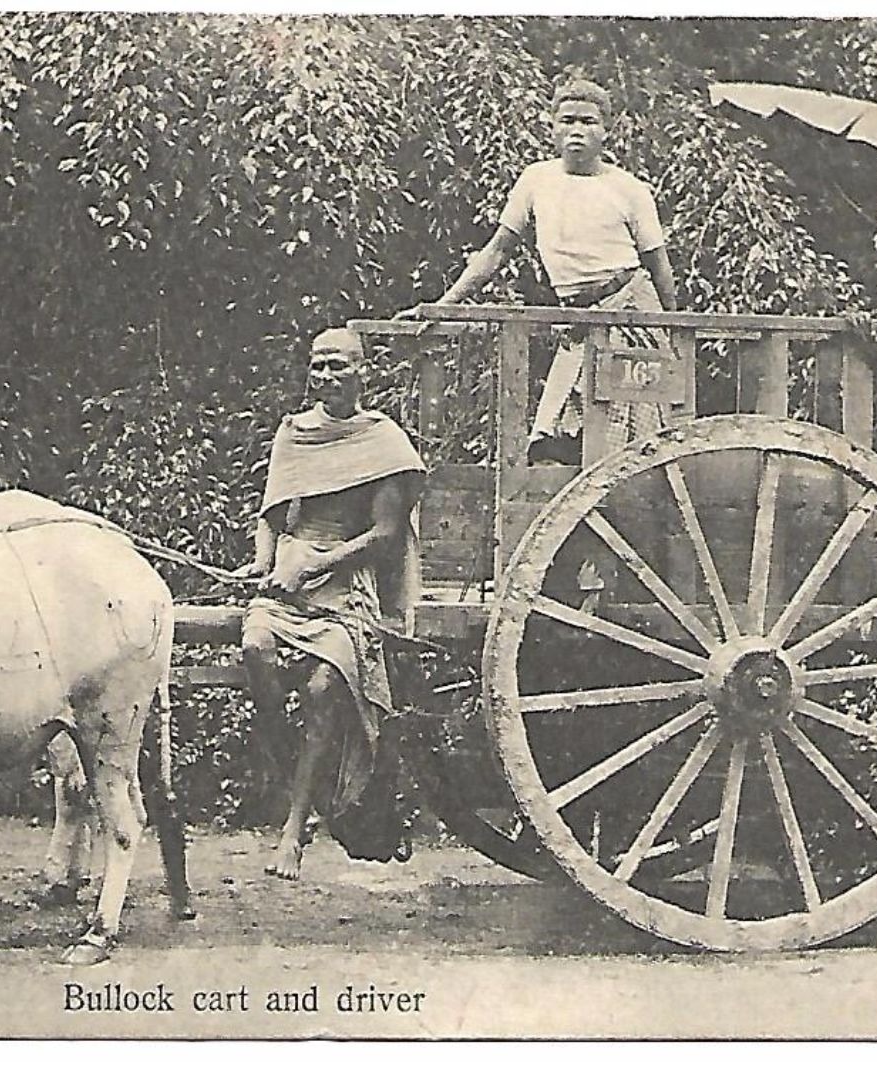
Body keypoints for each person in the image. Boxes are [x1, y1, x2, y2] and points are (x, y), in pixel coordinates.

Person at [400, 77, 680, 461]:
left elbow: (659, 267)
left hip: (629, 311)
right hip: (576, 319)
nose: (577, 131)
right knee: (554, 432)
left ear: (607, 130)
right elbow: (497, 251)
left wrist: (677, 333)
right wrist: (443, 306)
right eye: (567, 121)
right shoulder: (537, 179)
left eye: (588, 121)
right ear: (552, 128)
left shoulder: (629, 189)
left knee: (631, 434)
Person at [234, 327, 427, 880]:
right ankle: (294, 763)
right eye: (317, 366)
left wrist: (323, 564)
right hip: (290, 575)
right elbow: (272, 514)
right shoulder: (294, 433)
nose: (325, 378)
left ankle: (294, 830)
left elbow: (387, 534)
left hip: (348, 583)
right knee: (255, 647)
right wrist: (263, 561)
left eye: (338, 366)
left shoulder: (383, 440)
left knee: (324, 689)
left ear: (363, 372)